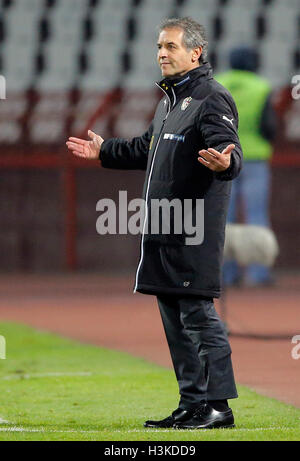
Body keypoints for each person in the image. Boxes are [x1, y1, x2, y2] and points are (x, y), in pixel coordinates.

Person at [66, 17, 243, 430]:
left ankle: (219, 407)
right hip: (163, 229)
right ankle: (192, 403)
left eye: (170, 46)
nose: (161, 53)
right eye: (159, 47)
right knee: (175, 319)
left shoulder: (211, 98)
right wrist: (104, 150)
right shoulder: (170, 102)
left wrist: (226, 162)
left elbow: (229, 153)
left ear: (195, 52)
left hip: (193, 229)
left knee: (198, 316)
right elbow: (146, 148)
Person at [216, 47, 277, 286]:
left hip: (223, 157)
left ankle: (225, 274)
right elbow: (268, 125)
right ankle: (258, 273)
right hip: (254, 159)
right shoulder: (261, 86)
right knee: (256, 216)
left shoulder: (218, 83)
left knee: (223, 217)